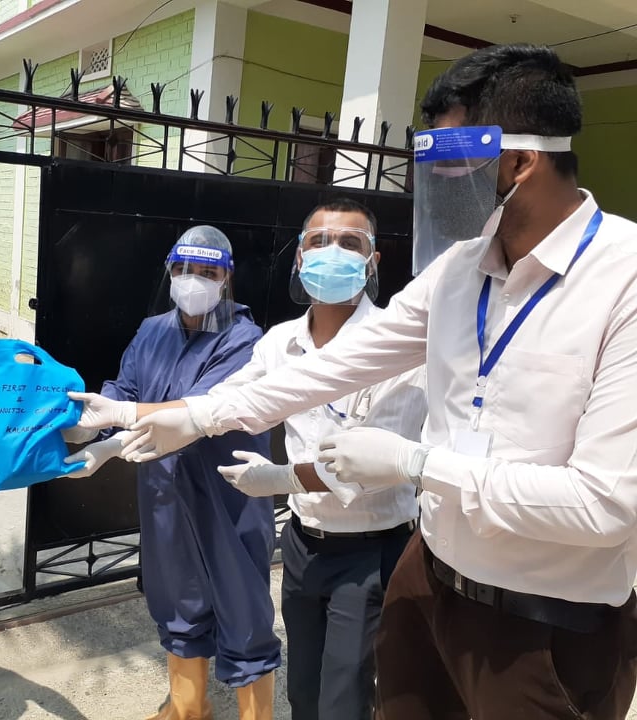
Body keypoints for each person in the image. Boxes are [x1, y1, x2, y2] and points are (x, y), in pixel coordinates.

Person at [86, 44, 637, 719]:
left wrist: (416, 464)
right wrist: (196, 415)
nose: (437, 184)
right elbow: (334, 366)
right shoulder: (458, 272)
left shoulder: (623, 279)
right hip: (431, 583)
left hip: (548, 622)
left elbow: (605, 507)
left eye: (452, 164)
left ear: (520, 162)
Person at [212, 198, 426, 720]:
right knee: (304, 693)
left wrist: (280, 479)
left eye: (350, 243)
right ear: (299, 256)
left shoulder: (398, 347)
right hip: (304, 546)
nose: (333, 252)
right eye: (319, 241)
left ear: (372, 261)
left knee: (344, 702)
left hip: (372, 552)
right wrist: (125, 419)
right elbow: (224, 401)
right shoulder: (280, 343)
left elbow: (369, 470)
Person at [64, 226, 281, 720]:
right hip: (163, 491)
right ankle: (188, 708)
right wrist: (84, 427)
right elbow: (124, 390)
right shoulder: (152, 331)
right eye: (184, 269)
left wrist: (114, 435)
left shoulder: (244, 340)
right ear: (169, 270)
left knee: (242, 607)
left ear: (226, 279)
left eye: (206, 271)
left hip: (228, 495)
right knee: (177, 598)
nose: (193, 279)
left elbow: (200, 411)